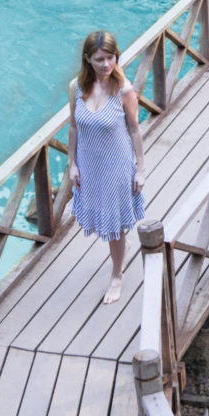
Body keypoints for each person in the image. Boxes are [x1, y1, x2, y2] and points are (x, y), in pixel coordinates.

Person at [68, 29, 147, 304]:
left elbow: (135, 130)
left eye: (111, 58)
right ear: (88, 59)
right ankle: (119, 257)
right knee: (103, 218)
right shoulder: (76, 88)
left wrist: (141, 169)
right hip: (89, 164)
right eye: (100, 59)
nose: (106, 64)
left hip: (116, 164)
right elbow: (74, 126)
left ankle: (117, 276)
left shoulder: (123, 90)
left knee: (114, 225)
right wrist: (72, 164)